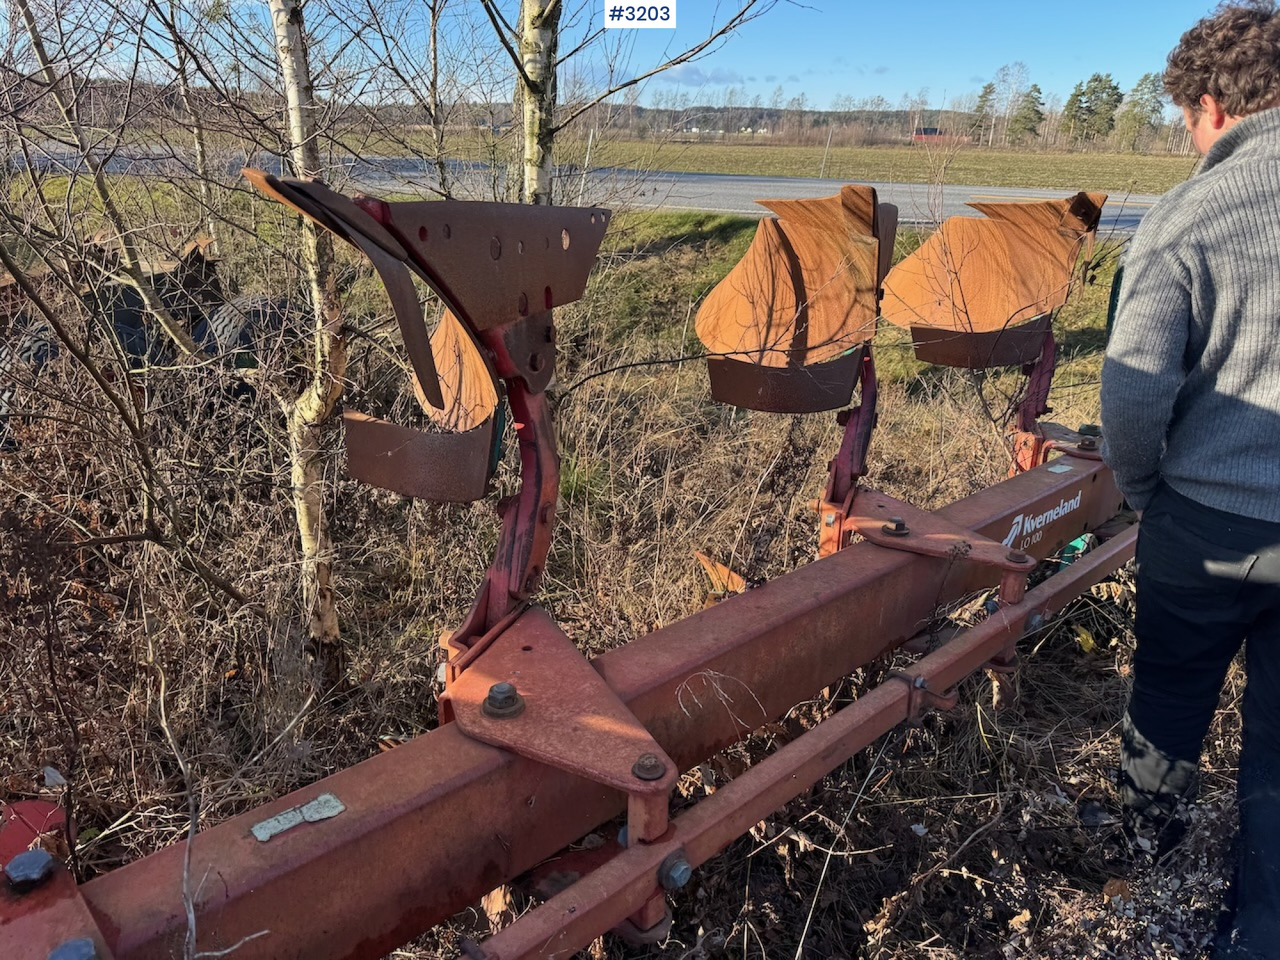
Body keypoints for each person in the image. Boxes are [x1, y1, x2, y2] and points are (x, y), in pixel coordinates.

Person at [1101, 2, 1280, 956]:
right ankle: (1262, 929)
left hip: (1205, 524)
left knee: (1170, 695)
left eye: (1183, 119)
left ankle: (1145, 856)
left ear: (1213, 105)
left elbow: (1132, 396)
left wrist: (1143, 493)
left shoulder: (1187, 214)